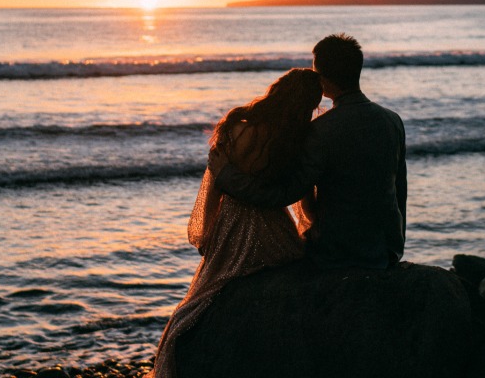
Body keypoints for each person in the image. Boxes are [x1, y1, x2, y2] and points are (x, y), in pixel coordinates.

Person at [150, 68, 322, 378]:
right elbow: (301, 193)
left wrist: (207, 233)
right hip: (272, 225)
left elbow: (214, 186)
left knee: (207, 289)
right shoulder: (294, 140)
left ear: (276, 91)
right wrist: (311, 225)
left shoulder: (236, 127)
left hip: (231, 221)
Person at [210, 33, 407, 269]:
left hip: (337, 252)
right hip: (384, 250)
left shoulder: (320, 131)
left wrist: (226, 175)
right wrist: (394, 246)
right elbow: (399, 190)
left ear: (323, 81)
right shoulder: (392, 121)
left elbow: (284, 194)